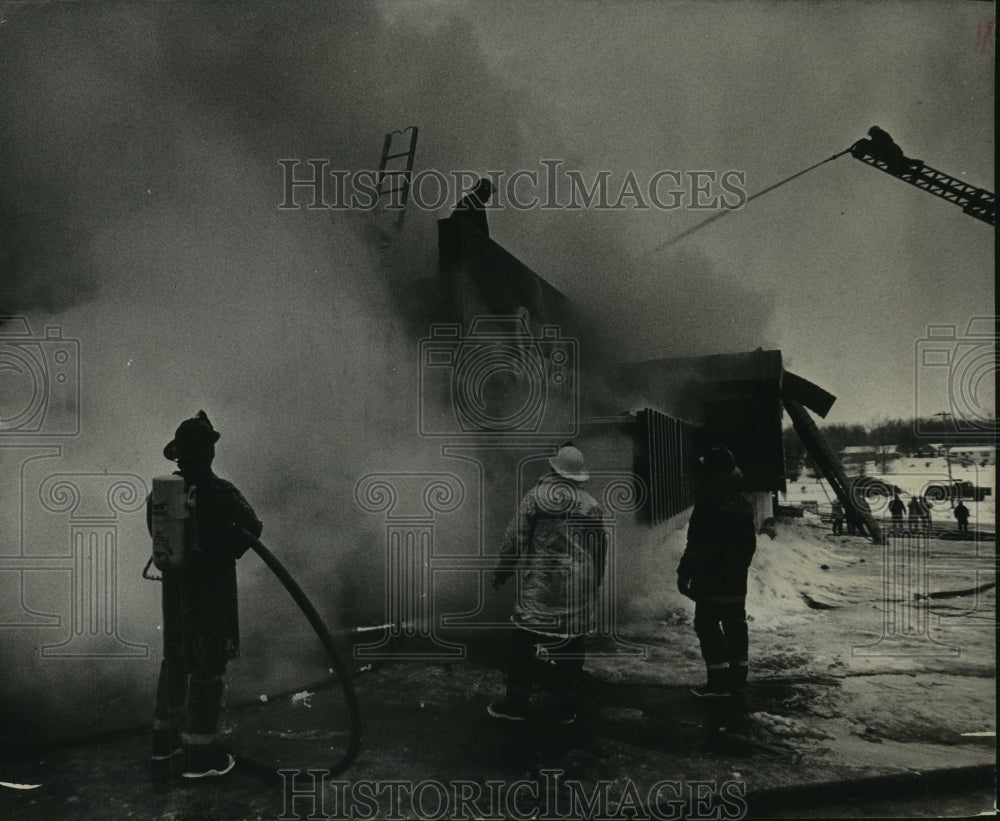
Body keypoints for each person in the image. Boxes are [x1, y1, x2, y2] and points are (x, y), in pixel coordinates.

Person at [148, 411, 263, 778]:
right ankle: (200, 759)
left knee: (176, 661)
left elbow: (156, 533)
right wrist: (223, 546)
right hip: (211, 594)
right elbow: (253, 527)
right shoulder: (220, 491)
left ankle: (164, 747)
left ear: (178, 455)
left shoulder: (161, 494)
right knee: (207, 669)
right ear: (209, 453)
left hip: (174, 592)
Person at [489, 445, 606, 725]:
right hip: (579, 584)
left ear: (554, 468)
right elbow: (600, 548)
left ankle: (516, 705)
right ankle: (566, 707)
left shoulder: (536, 497)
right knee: (571, 642)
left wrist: (503, 571)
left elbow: (515, 538)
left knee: (524, 642)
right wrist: (596, 581)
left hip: (544, 582)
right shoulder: (590, 504)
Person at [677, 445, 757, 698]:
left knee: (707, 623)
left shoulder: (708, 501)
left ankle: (718, 682)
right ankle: (737, 677)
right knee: (735, 623)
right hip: (735, 579)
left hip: (711, 578)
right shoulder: (743, 503)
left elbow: (697, 543)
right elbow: (749, 545)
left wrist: (685, 573)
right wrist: (738, 568)